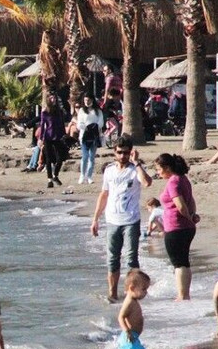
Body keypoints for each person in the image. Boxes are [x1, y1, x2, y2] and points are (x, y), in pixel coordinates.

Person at [90, 136, 153, 302]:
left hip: (131, 220)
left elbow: (147, 183)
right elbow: (104, 194)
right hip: (112, 220)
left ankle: (134, 294)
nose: (122, 156)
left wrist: (136, 162)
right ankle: (112, 294)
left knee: (131, 258)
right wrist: (95, 219)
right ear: (114, 152)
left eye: (126, 153)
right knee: (112, 259)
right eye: (119, 152)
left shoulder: (135, 170)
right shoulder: (109, 170)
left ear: (130, 152)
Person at [154, 153, 199, 300]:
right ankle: (185, 294)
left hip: (176, 227)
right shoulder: (183, 178)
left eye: (158, 169)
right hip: (186, 228)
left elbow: (180, 205)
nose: (157, 172)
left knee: (179, 263)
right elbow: (191, 201)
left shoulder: (173, 181)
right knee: (184, 261)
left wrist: (189, 217)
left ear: (167, 168)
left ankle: (182, 295)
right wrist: (192, 216)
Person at [104, 269, 151, 349]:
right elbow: (121, 317)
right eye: (143, 289)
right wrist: (127, 331)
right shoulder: (129, 302)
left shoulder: (133, 301)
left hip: (129, 336)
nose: (146, 293)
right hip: (129, 336)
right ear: (132, 288)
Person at [39, 92, 66, 188]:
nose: (53, 100)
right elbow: (42, 125)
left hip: (58, 136)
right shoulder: (45, 112)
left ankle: (55, 175)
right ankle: (49, 179)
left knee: (60, 158)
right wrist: (40, 138)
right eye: (51, 98)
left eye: (54, 98)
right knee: (48, 158)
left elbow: (62, 123)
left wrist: (64, 134)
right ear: (48, 100)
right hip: (48, 136)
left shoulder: (59, 111)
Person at [77, 93, 105, 184]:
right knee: (85, 156)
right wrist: (86, 127)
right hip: (84, 136)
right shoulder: (82, 110)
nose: (87, 102)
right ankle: (82, 175)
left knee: (92, 157)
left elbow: (101, 122)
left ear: (92, 100)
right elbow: (79, 124)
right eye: (85, 100)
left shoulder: (98, 111)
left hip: (94, 136)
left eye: (88, 100)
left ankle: (89, 176)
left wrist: (95, 127)